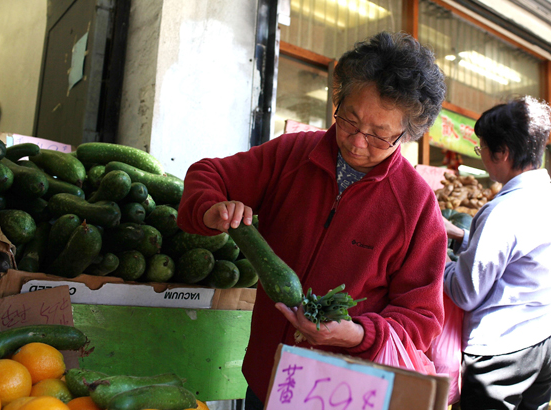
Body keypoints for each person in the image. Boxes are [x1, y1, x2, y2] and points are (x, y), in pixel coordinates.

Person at [177, 31, 447, 410]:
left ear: (407, 133)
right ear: (338, 101)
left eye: (379, 135)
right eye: (349, 121)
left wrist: (357, 334)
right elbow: (207, 174)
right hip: (266, 374)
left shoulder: (416, 205)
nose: (357, 142)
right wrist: (211, 209)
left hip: (341, 390)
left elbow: (420, 319)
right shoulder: (291, 155)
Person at [443, 96, 551, 410]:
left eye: (482, 147)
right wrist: (462, 235)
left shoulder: (501, 210)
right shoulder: (548, 196)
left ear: (503, 152)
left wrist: (441, 258)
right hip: (542, 343)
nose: (481, 155)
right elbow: (518, 253)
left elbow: (465, 293)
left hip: (500, 353)